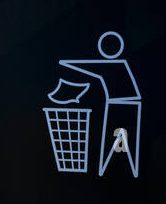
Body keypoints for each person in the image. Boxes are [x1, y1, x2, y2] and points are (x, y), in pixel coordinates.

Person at [57, 31, 141, 177]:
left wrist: (70, 64)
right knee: (118, 151)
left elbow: (94, 67)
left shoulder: (117, 67)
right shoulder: (118, 66)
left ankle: (117, 172)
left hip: (124, 107)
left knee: (121, 151)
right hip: (121, 106)